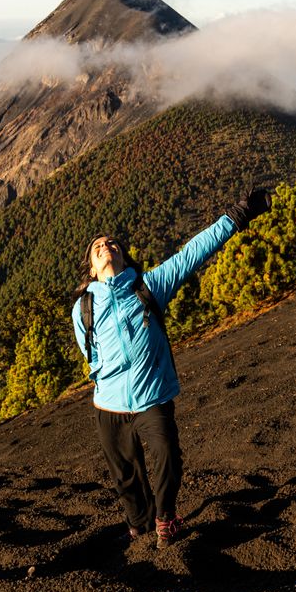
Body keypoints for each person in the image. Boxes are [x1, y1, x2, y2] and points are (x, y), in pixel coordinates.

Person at [72, 187, 271, 549]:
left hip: (152, 396)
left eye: (113, 243)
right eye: (98, 247)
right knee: (125, 476)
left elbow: (192, 253)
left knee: (167, 454)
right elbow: (89, 351)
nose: (106, 246)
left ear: (125, 257)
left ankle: (165, 518)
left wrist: (237, 217)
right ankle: (140, 524)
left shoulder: (148, 286)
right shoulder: (82, 307)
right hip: (109, 406)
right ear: (91, 267)